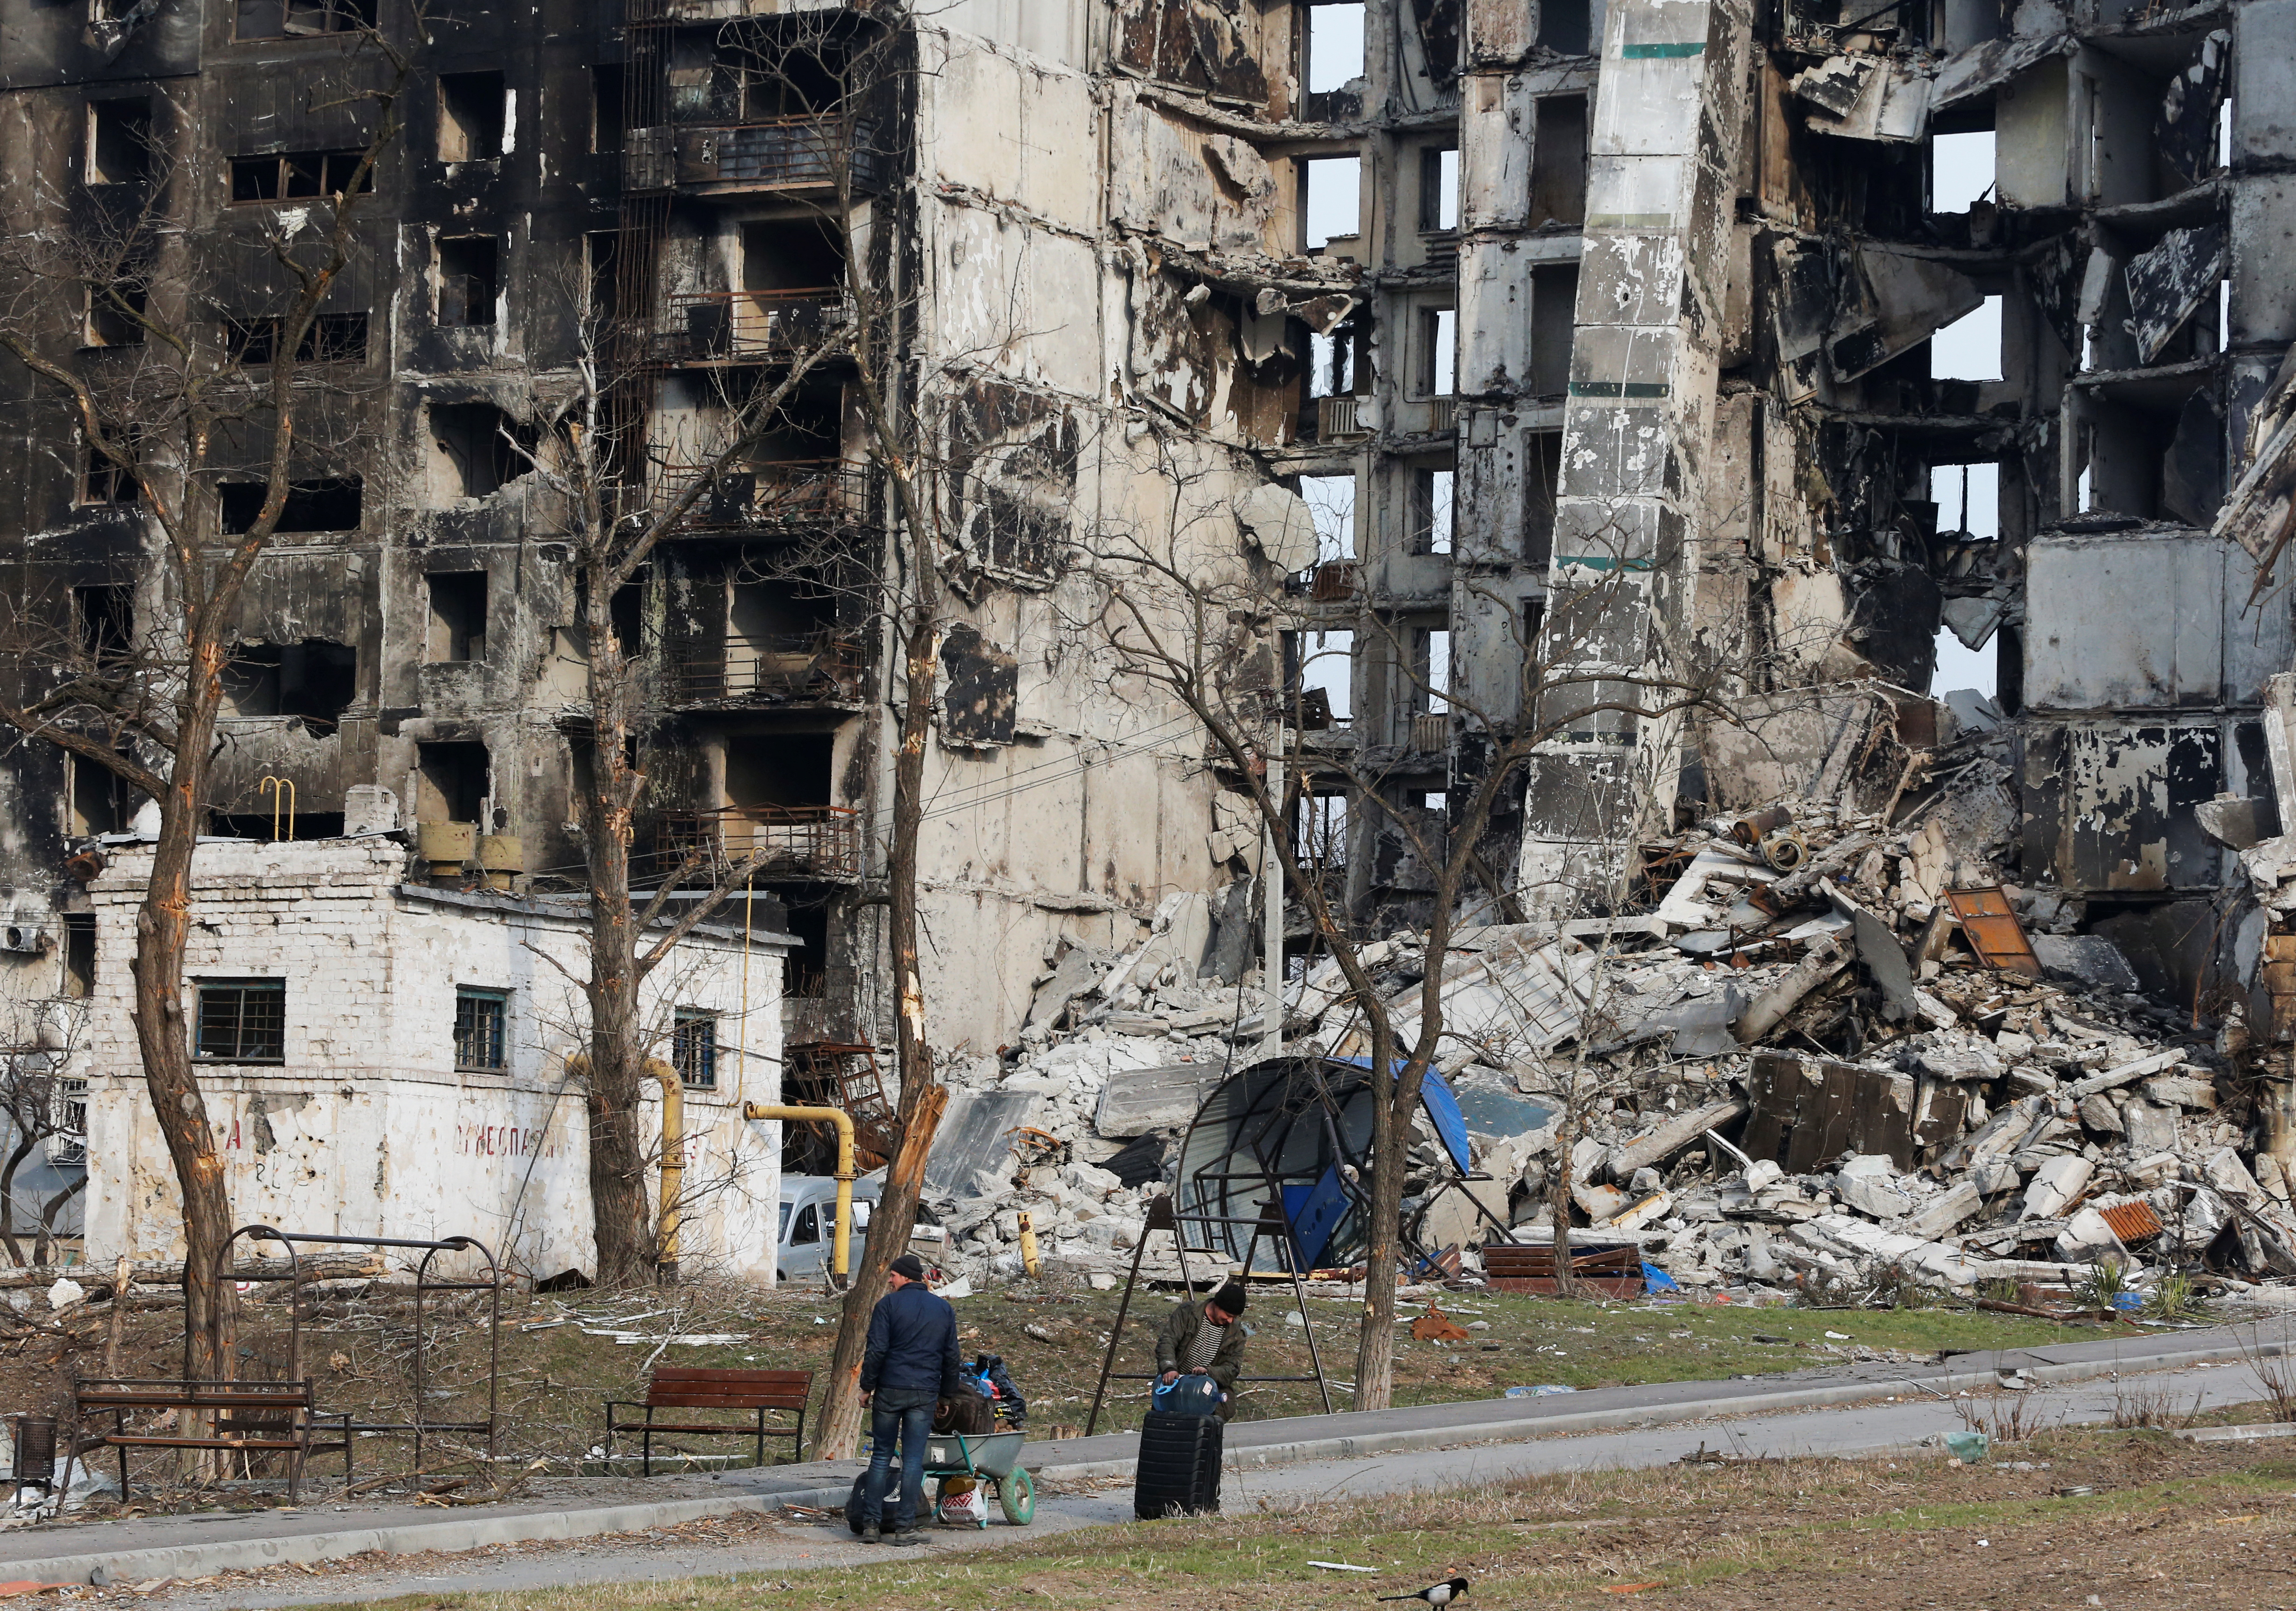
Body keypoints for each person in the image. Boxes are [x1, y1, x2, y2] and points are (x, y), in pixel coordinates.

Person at [858, 1252, 961, 1545]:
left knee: (881, 1455)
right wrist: (946, 1395)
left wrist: (867, 1387)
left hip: (890, 1390)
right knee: (914, 1460)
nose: (889, 1280)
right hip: (924, 1393)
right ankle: (905, 1528)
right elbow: (951, 1357)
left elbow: (876, 1351)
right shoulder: (943, 1310)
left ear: (904, 1277)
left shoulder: (887, 1306)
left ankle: (870, 1526)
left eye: (892, 1276)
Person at [1154, 1280, 1248, 1420]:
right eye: (1228, 1315)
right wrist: (1169, 1368)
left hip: (1206, 1394)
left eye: (1234, 1317)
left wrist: (1209, 1372)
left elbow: (1233, 1368)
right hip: (1176, 1389)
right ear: (1217, 1305)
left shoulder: (1236, 1334)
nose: (1230, 1321)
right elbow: (1168, 1341)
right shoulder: (1187, 1314)